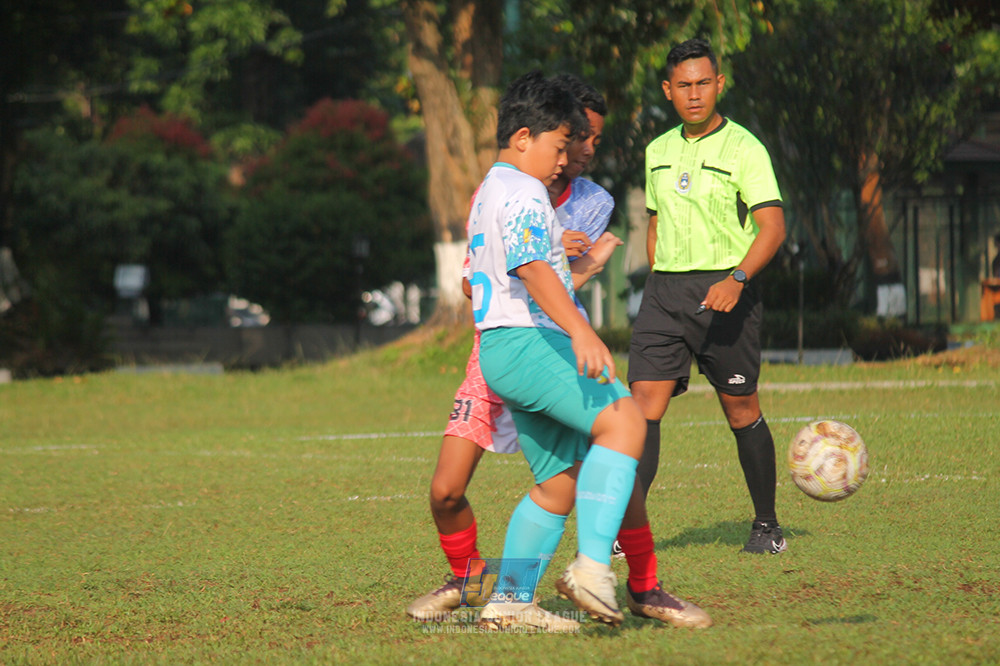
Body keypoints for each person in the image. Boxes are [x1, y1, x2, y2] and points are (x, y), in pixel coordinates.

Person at [469, 71, 708, 632]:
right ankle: (593, 570)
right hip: (528, 341)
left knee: (560, 481)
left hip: (499, 347)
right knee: (626, 421)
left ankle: (510, 602)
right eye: (559, 144)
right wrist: (580, 330)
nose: (565, 158)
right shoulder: (525, 190)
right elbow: (530, 266)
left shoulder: (492, 186)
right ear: (524, 137)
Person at [628, 38, 789, 555]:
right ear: (667, 91)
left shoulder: (745, 148)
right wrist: (660, 275)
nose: (694, 94)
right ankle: (627, 531)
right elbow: (654, 222)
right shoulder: (656, 151)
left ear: (719, 84)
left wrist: (736, 279)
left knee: (740, 408)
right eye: (683, 85)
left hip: (727, 290)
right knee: (642, 408)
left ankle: (766, 525)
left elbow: (772, 227)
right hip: (665, 293)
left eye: (703, 83)